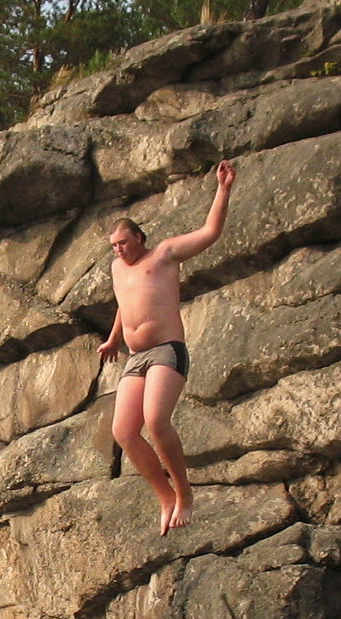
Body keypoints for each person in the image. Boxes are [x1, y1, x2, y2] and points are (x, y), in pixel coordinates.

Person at [97, 160, 236, 536]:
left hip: (165, 350)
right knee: (124, 431)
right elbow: (125, 303)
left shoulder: (164, 255)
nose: (119, 250)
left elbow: (211, 231)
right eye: (113, 246)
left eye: (123, 243)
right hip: (135, 357)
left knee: (156, 421)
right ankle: (165, 496)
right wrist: (113, 338)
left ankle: (186, 493)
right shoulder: (117, 269)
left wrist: (222, 188)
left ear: (139, 238)